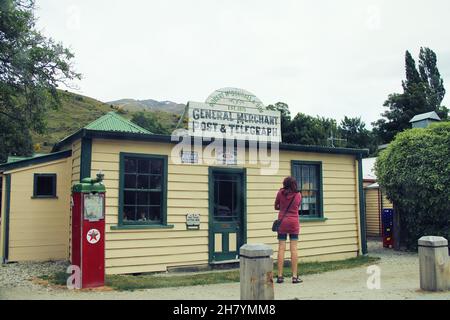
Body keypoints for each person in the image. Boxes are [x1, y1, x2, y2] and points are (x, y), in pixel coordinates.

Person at [274, 176, 302, 284]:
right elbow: (297, 207)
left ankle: (280, 276)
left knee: (281, 248)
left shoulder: (280, 193)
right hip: (294, 222)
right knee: (294, 249)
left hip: (282, 222)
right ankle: (294, 277)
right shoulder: (298, 195)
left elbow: (276, 206)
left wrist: (282, 207)